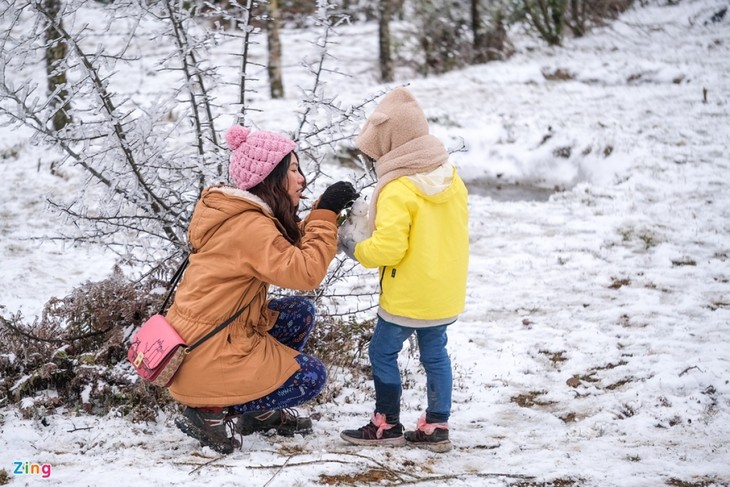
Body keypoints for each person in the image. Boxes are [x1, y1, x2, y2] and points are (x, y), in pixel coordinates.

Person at [168, 125, 358, 454]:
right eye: (295, 170)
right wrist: (325, 213)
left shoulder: (242, 216)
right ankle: (209, 413)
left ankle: (259, 414)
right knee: (310, 377)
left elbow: (284, 247)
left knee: (299, 313)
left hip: (201, 347)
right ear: (273, 176)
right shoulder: (249, 226)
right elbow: (305, 271)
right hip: (206, 356)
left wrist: (320, 216)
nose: (302, 179)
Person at [339, 87, 469, 453]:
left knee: (382, 352)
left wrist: (353, 247)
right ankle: (437, 425)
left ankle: (386, 424)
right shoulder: (451, 177)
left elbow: (389, 249)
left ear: (391, 143)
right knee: (435, 355)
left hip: (407, 296)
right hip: (443, 292)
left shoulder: (399, 189)